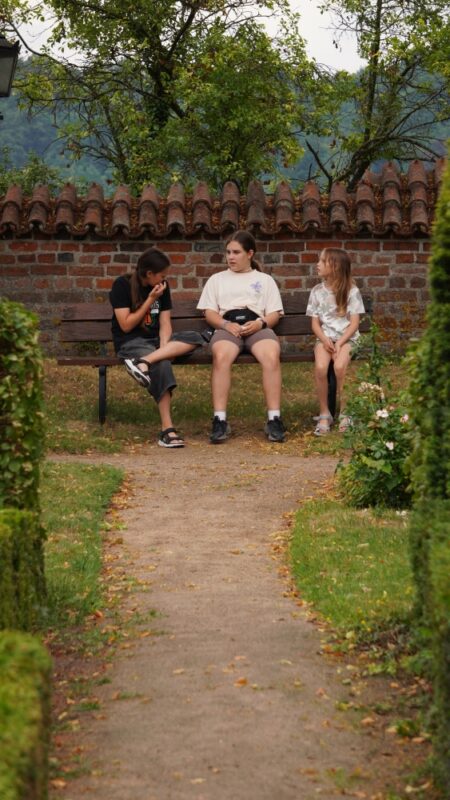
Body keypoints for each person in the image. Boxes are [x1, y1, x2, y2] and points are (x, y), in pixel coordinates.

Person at [197, 230, 285, 443]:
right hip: (228, 327)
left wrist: (260, 323)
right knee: (221, 356)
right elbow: (209, 312)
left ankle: (274, 418)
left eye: (236, 252)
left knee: (271, 355)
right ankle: (219, 419)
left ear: (250, 254)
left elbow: (274, 313)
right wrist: (226, 325)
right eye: (228, 252)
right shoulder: (217, 280)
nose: (231, 257)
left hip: (257, 326)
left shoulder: (264, 280)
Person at [110, 247, 203, 447]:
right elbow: (126, 325)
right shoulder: (122, 285)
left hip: (155, 344)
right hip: (131, 342)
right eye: (162, 275)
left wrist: (164, 347)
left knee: (196, 337)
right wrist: (151, 299)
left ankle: (142, 363)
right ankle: (167, 430)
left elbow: (165, 322)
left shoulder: (163, 287)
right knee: (162, 365)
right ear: (149, 274)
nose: (164, 280)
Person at [306, 247, 365, 435]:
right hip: (325, 339)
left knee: (339, 367)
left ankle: (346, 413)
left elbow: (354, 323)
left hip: (347, 339)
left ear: (335, 266)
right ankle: (325, 413)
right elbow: (315, 324)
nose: (318, 264)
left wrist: (340, 343)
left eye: (323, 261)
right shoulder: (317, 291)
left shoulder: (351, 291)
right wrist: (325, 340)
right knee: (321, 367)